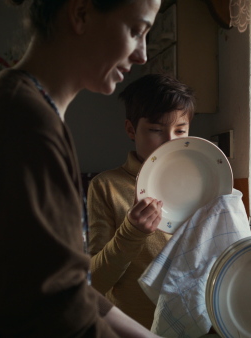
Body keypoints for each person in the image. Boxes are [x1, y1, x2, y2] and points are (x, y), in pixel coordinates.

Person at [0, 0, 163, 337]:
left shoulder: (27, 107)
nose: (142, 54)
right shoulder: (22, 124)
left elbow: (69, 285)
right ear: (81, 13)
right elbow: (56, 316)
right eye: (136, 31)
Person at [87, 73, 196, 328]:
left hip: (193, 327)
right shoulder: (106, 186)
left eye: (180, 130)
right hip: (134, 326)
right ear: (130, 129)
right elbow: (95, 283)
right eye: (156, 130)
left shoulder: (203, 181)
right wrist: (131, 233)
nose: (170, 141)